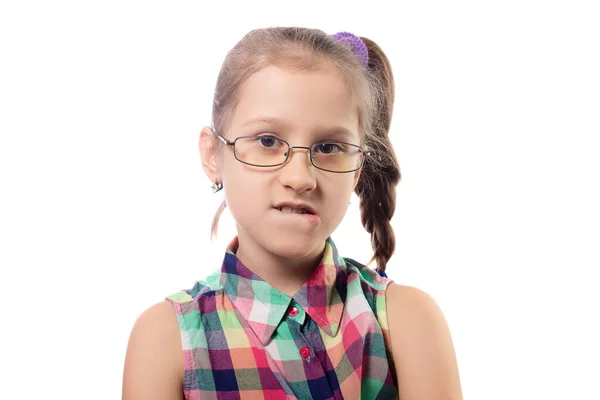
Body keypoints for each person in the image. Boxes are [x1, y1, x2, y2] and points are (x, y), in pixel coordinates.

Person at [122, 27, 463, 400]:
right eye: (267, 141)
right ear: (212, 155)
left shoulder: (407, 322)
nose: (301, 178)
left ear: (357, 170)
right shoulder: (167, 340)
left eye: (330, 146)